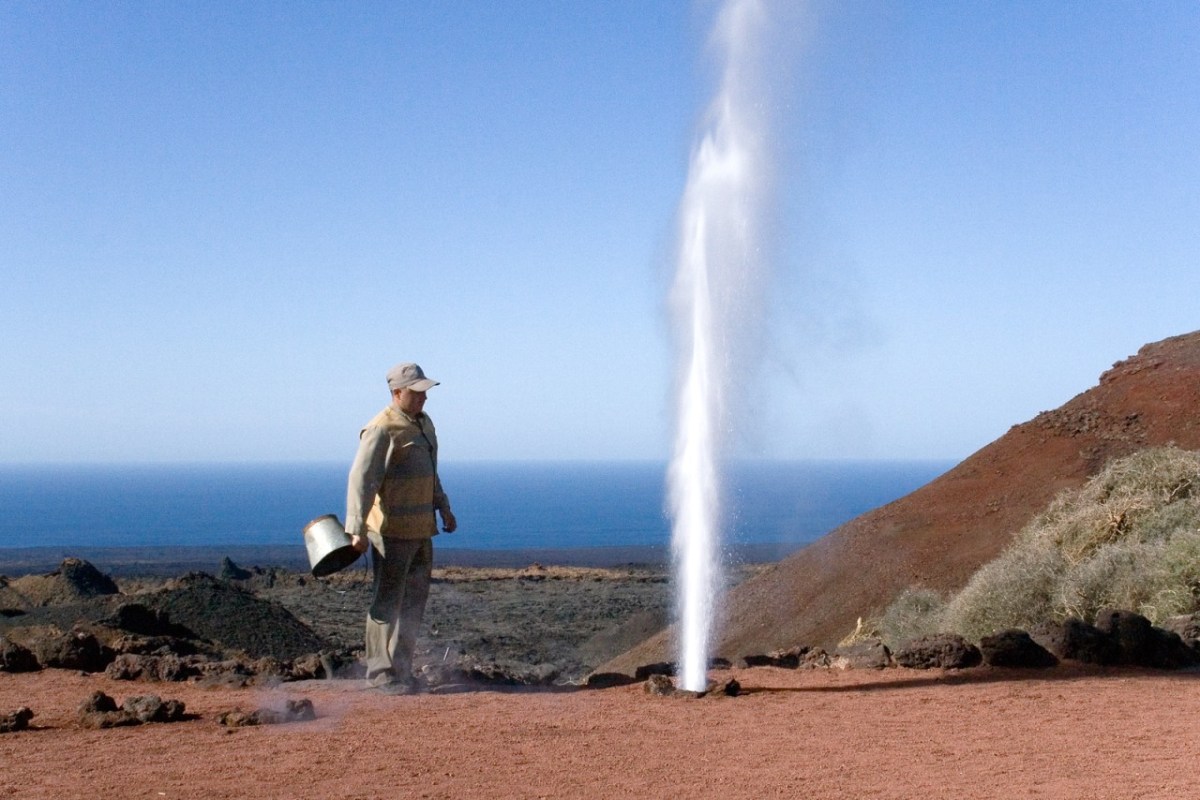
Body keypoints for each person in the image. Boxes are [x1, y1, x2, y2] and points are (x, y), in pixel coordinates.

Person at [345, 362, 457, 694]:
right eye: (416, 392)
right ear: (397, 393)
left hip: (422, 530)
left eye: (425, 391)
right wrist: (357, 529)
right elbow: (361, 481)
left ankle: (402, 670)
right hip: (390, 534)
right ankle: (380, 674)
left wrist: (444, 507)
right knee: (387, 602)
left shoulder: (423, 424)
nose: (423, 398)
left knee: (413, 603)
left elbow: (430, 472)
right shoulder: (382, 429)